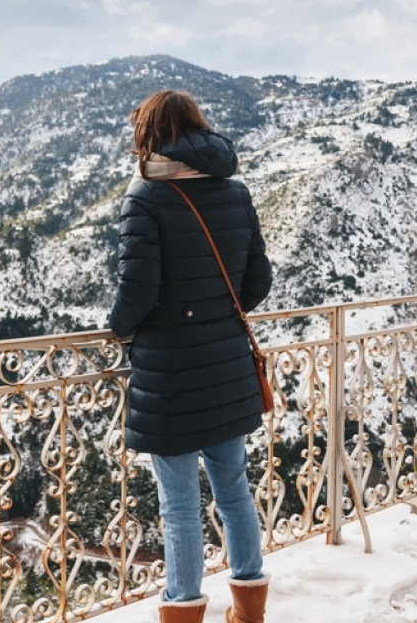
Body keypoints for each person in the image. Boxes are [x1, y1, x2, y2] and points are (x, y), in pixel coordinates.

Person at [108, 90, 273, 623]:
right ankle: (248, 608)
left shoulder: (146, 197)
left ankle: (182, 609)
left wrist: (116, 329)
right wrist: (218, 313)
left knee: (179, 506)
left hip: (170, 376)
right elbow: (257, 281)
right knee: (235, 492)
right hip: (225, 367)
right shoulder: (235, 192)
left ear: (151, 135)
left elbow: (137, 292)